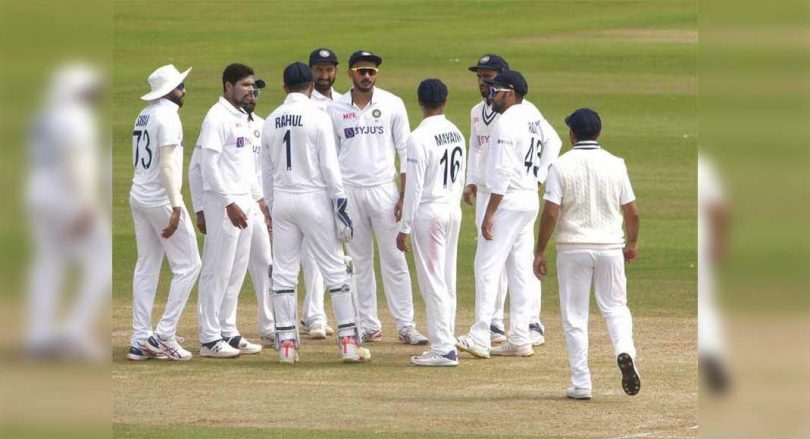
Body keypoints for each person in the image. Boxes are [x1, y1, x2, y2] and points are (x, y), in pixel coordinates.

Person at [261, 62, 369, 363]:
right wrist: (341, 207)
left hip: (283, 200)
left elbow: (265, 173)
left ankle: (286, 346)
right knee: (336, 269)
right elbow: (330, 169)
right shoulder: (318, 117)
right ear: (310, 86)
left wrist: (271, 208)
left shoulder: (270, 120)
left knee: (284, 273)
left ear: (284, 87)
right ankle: (349, 344)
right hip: (314, 200)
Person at [533, 108, 641, 400]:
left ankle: (581, 383)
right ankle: (624, 351)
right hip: (610, 247)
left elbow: (551, 212)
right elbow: (631, 211)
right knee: (616, 308)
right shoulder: (616, 164)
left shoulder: (560, 165)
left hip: (573, 249)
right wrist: (632, 243)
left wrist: (539, 251)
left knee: (575, 316)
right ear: (599, 132)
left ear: (572, 134)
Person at [328, 50, 428, 345]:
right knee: (358, 261)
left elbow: (406, 153)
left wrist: (404, 195)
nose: (367, 76)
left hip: (384, 190)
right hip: (349, 191)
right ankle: (367, 324)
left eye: (371, 72)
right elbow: (330, 157)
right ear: (351, 73)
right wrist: (336, 197)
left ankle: (406, 325)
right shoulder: (335, 108)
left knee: (394, 258)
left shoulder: (392, 104)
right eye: (361, 71)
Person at [456, 71, 556, 359]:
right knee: (520, 268)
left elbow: (501, 172)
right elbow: (554, 143)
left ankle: (479, 334)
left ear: (510, 93)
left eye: (495, 91)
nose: (490, 95)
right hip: (527, 198)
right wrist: (539, 177)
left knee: (486, 264)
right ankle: (520, 337)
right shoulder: (531, 114)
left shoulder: (505, 122)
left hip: (508, 199)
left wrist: (490, 212)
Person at [188, 79, 274, 348]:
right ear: (228, 85)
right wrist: (212, 206)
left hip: (246, 202)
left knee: (236, 270)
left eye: (253, 87)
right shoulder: (216, 117)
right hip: (224, 204)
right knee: (217, 270)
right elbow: (202, 167)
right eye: (245, 85)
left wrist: (261, 203)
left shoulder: (244, 120)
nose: (251, 91)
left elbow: (247, 171)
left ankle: (228, 329)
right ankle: (209, 337)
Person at [127, 64, 201, 361]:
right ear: (169, 91)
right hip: (160, 199)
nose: (184, 90)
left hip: (138, 195)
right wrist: (176, 204)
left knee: (146, 265)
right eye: (180, 86)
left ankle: (140, 338)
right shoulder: (168, 116)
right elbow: (168, 165)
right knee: (190, 265)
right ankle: (163, 335)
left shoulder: (144, 114)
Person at [396, 79, 465, 367]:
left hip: (430, 213)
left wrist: (404, 226)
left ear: (419, 102)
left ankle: (444, 348)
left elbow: (413, 187)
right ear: (445, 101)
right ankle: (446, 340)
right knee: (446, 279)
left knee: (433, 281)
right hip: (451, 209)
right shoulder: (456, 132)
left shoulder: (418, 137)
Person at [294, 47, 345, 339]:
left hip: (338, 185)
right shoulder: (303, 104)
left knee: (335, 253)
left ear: (336, 71)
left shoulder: (344, 102)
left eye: (328, 70)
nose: (324, 75)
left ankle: (315, 314)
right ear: (310, 72)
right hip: (311, 187)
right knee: (312, 253)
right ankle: (314, 316)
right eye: (319, 70)